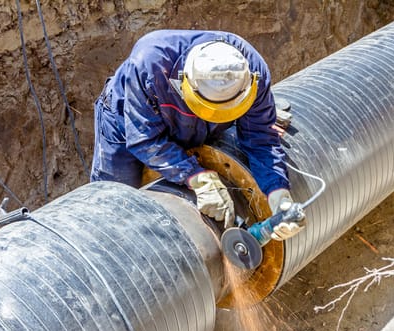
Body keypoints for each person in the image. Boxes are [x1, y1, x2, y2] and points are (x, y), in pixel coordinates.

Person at [91, 30, 304, 240]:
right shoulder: (150, 63)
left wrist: (278, 194)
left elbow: (261, 140)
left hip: (193, 123)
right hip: (126, 120)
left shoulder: (252, 69)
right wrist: (196, 176)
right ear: (185, 83)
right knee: (115, 203)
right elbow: (145, 140)